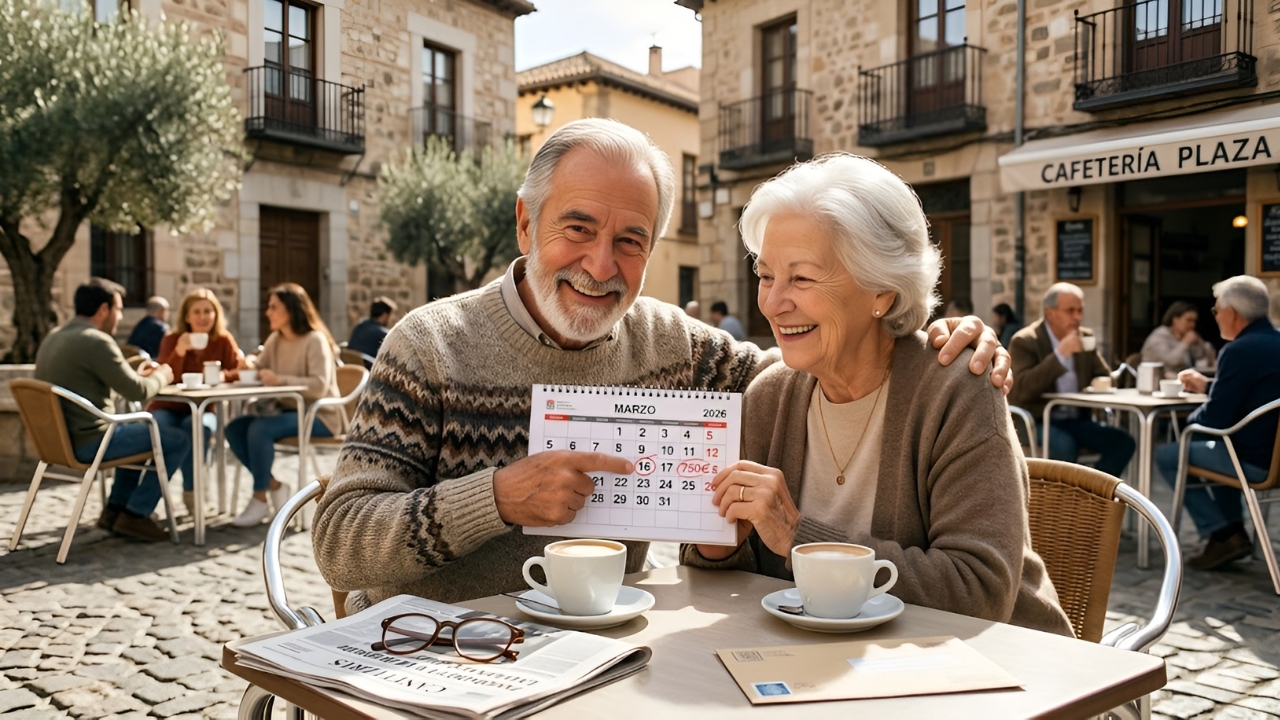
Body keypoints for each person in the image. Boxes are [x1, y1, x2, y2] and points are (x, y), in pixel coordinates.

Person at [311, 118, 1011, 610]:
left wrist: (937, 334)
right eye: (578, 228)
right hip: (434, 652)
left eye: (631, 240)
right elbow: (339, 543)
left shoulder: (679, 348)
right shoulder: (430, 344)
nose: (600, 265)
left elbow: (822, 361)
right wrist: (494, 499)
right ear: (526, 223)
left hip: (605, 660)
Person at [679, 155, 1071, 635]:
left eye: (801, 278)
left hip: (990, 663)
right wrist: (721, 545)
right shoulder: (769, 396)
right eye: (765, 276)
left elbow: (979, 591)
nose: (773, 303)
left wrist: (799, 536)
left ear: (882, 291)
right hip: (819, 662)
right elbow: (727, 581)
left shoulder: (958, 387)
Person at [34, 278, 181, 542]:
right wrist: (163, 375)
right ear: (104, 310)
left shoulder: (54, 337)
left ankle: (115, 510)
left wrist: (137, 374)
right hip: (92, 442)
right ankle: (136, 514)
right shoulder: (96, 341)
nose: (120, 316)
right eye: (119, 309)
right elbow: (137, 391)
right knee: (178, 439)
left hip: (57, 443)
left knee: (137, 436)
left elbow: (101, 380)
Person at [1155, 277, 1280, 570]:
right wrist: (1209, 386)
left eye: (1216, 310)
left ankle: (1223, 533)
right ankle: (1231, 532)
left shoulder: (1239, 350)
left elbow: (1214, 420)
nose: (1215, 316)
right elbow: (1257, 394)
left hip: (1252, 462)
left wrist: (1188, 421)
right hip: (1274, 459)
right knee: (1213, 443)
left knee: (1171, 454)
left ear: (1232, 313)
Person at [226, 283, 346, 527]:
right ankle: (275, 485)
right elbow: (260, 365)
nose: (267, 312)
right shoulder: (276, 339)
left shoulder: (315, 340)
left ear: (290, 310)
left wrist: (281, 380)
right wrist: (250, 363)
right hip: (286, 412)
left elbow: (319, 385)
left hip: (320, 417)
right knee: (235, 428)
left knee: (260, 429)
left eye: (273, 307)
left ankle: (260, 498)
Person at [1008, 283, 1136, 477]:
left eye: (1080, 310)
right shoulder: (1026, 340)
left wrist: (1100, 383)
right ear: (1050, 313)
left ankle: (1091, 492)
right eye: (1070, 311)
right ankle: (1065, 495)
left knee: (1123, 443)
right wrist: (1060, 354)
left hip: (1077, 419)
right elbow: (1021, 390)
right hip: (1038, 420)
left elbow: (1106, 377)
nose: (1077, 317)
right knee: (1065, 446)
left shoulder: (1084, 337)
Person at [149, 288, 242, 518]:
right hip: (168, 407)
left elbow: (239, 370)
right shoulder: (172, 339)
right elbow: (165, 375)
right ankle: (146, 501)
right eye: (197, 312)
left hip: (203, 408)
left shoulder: (223, 340)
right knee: (158, 428)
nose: (203, 317)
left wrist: (222, 376)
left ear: (216, 314)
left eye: (208, 311)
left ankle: (193, 494)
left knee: (197, 426)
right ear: (187, 316)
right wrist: (180, 351)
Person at [1142, 300, 1217, 377]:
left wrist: (1199, 342)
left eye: (1194, 321)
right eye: (1189, 320)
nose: (1192, 325)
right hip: (1158, 378)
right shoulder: (1159, 336)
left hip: (1180, 377)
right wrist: (1185, 343)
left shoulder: (1185, 335)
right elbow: (1172, 361)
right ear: (1175, 319)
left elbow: (1200, 356)